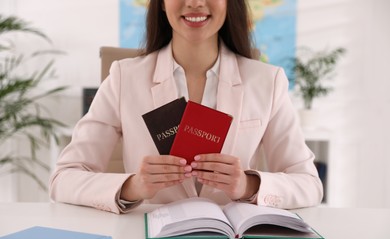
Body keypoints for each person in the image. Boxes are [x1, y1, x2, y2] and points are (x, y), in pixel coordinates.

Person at [49, 0, 323, 214]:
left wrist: (247, 185)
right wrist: (133, 186)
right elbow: (63, 178)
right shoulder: (124, 78)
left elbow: (309, 185)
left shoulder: (268, 81)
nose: (195, 3)